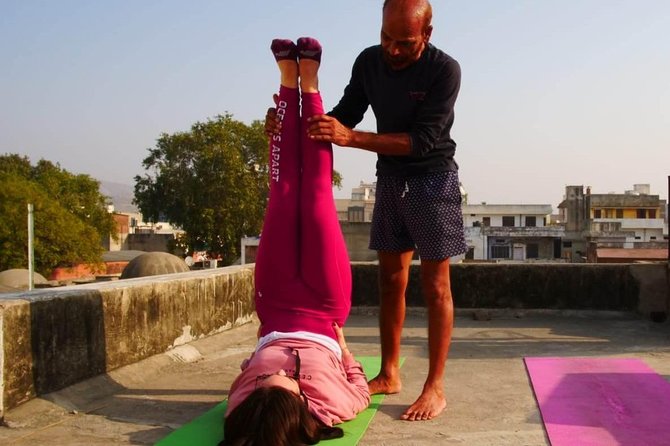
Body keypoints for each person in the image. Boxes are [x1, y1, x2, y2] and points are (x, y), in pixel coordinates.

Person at [266, 0, 465, 422]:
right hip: (391, 180)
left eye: (404, 43)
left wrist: (349, 138)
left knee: (436, 288)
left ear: (426, 36)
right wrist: (289, 122)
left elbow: (422, 140)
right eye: (386, 38)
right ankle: (389, 373)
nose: (393, 49)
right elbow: (344, 114)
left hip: (433, 180)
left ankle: (435, 386)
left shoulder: (444, 70)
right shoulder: (369, 61)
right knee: (391, 280)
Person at [221, 37, 370, 446]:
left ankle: (290, 81)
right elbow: (360, 388)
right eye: (283, 383)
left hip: (275, 305)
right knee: (318, 197)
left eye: (265, 382)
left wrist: (258, 358)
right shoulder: (332, 406)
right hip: (325, 309)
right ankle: (312, 84)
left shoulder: (242, 406)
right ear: (301, 403)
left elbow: (247, 369)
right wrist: (344, 350)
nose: (274, 376)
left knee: (285, 194)